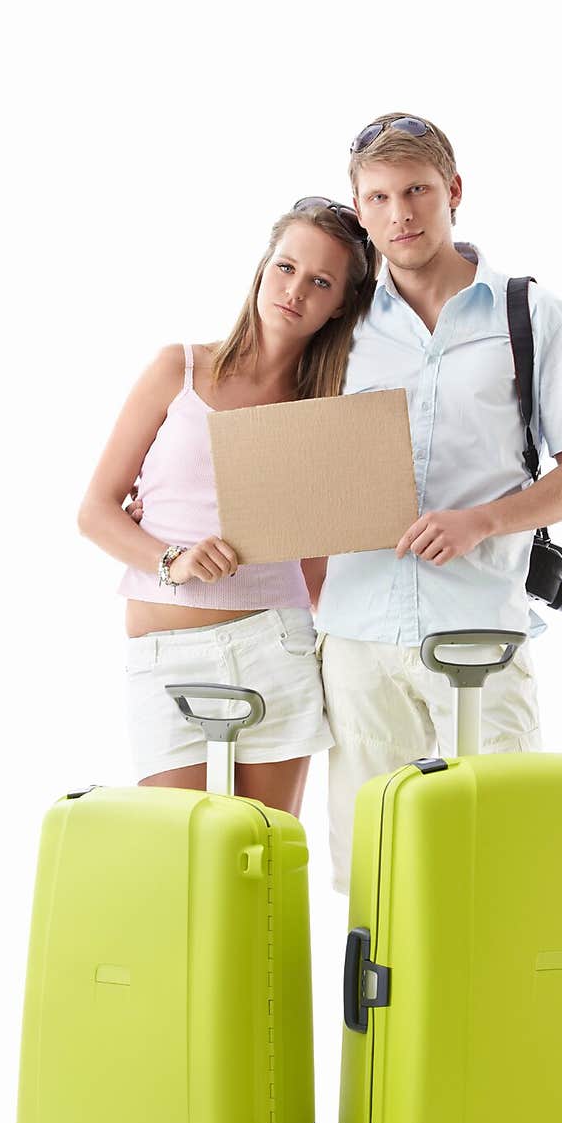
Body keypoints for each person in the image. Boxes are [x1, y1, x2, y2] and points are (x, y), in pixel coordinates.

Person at [313, 113, 562, 891]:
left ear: (453, 191)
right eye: (377, 198)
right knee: (377, 878)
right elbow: (289, 459)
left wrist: (483, 520)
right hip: (359, 641)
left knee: (497, 865)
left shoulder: (530, 317)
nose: (400, 215)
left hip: (478, 633)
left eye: (416, 191)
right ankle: (382, 1021)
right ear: (360, 209)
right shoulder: (339, 330)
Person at [78, 199, 376, 817]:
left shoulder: (324, 411)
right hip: (166, 653)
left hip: (277, 646)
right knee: (177, 859)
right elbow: (96, 511)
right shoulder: (179, 369)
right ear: (265, 265)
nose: (295, 291)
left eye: (320, 282)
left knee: (266, 861)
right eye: (287, 267)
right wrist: (173, 560)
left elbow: (315, 572)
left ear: (341, 303)